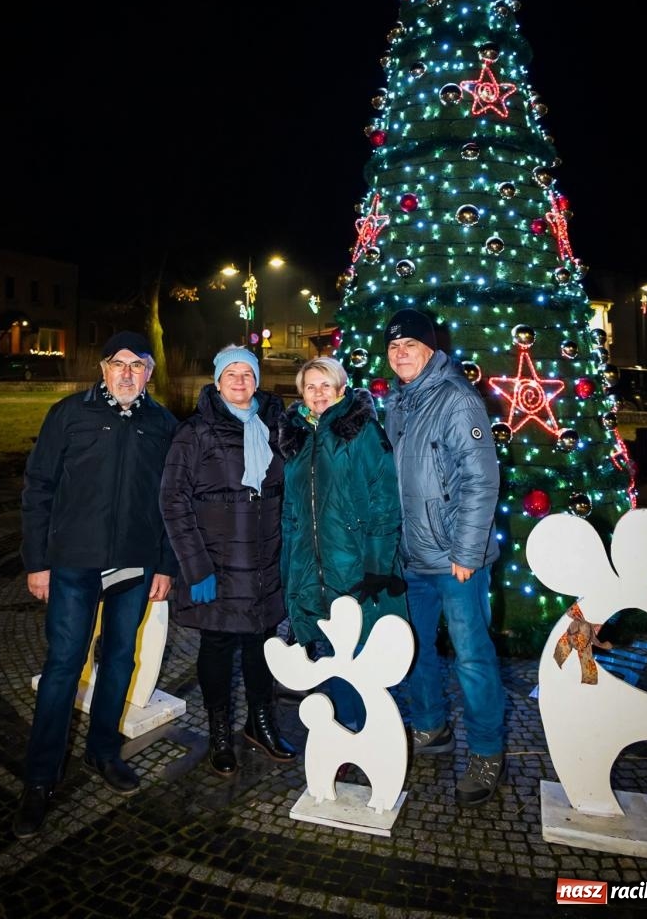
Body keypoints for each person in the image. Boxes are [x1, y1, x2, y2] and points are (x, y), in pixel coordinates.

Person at [12, 331, 179, 840]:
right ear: (103, 368)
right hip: (74, 561)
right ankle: (40, 778)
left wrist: (165, 564)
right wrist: (37, 561)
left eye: (137, 365)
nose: (127, 373)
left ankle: (103, 751)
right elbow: (39, 487)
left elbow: (172, 500)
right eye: (117, 364)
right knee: (64, 664)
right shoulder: (69, 414)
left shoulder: (162, 423)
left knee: (120, 660)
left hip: (133, 563)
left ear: (149, 372)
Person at [383, 308, 507, 806]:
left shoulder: (456, 399)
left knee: (472, 656)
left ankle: (487, 750)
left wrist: (468, 550)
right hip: (412, 557)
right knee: (414, 649)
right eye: (393, 347)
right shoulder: (399, 401)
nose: (400, 354)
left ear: (431, 349)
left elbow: (481, 479)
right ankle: (431, 726)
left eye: (409, 345)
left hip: (457, 560)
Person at [159, 345, 295, 777]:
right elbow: (173, 500)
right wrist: (195, 566)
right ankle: (219, 730)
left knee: (261, 644)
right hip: (216, 563)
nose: (240, 381)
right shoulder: (195, 432)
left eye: (247, 373)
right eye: (231, 374)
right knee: (217, 646)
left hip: (265, 561)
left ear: (257, 380)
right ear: (217, 382)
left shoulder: (276, 426)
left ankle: (260, 722)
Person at [278, 356, 407, 733]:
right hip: (312, 568)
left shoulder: (361, 430)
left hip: (355, 564)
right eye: (310, 387)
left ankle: (374, 735)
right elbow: (291, 509)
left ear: (340, 388)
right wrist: (289, 568)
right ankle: (342, 733)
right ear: (301, 394)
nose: (318, 393)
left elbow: (385, 498)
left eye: (326, 385)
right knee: (331, 652)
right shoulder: (297, 436)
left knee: (363, 653)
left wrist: (378, 566)